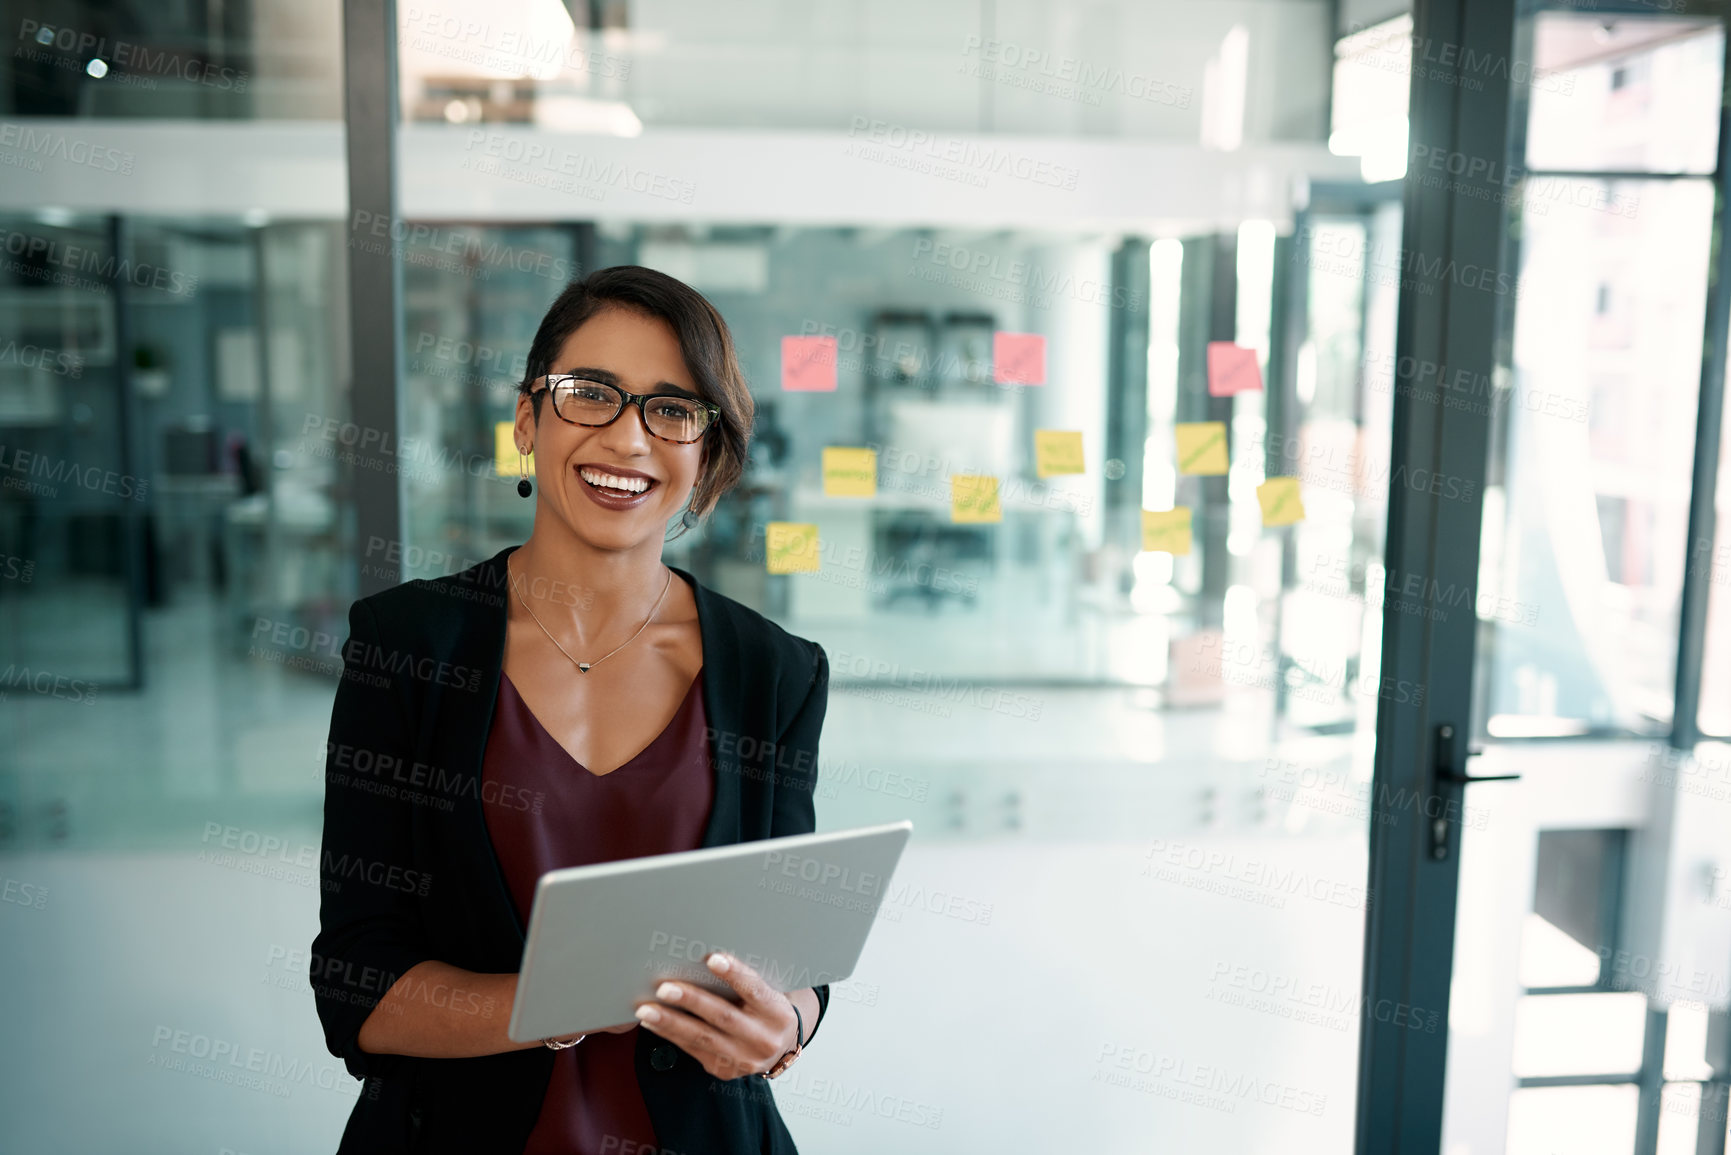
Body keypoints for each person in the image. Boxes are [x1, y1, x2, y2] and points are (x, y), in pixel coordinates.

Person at [310, 265, 831, 1154]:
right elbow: (358, 984)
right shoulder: (408, 646)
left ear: (706, 451)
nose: (629, 437)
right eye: (591, 393)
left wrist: (788, 1026)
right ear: (526, 419)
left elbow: (789, 957)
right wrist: (561, 999)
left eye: (673, 408)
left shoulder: (772, 671)